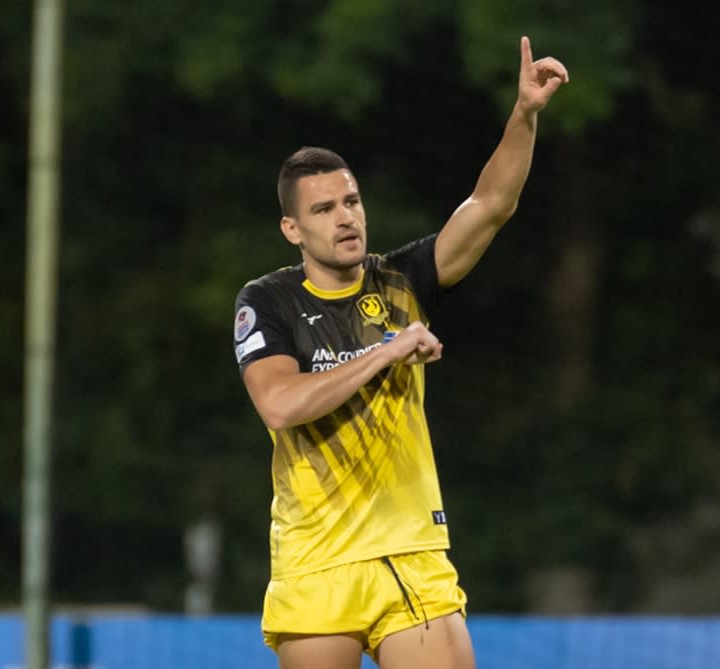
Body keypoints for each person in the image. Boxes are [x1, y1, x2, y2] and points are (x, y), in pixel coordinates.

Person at [232, 36, 567, 669]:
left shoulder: (402, 282)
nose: (345, 218)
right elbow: (279, 405)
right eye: (324, 209)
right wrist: (386, 352)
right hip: (318, 558)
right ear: (293, 229)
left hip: (411, 553)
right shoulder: (267, 301)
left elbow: (491, 205)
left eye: (352, 202)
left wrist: (524, 115)